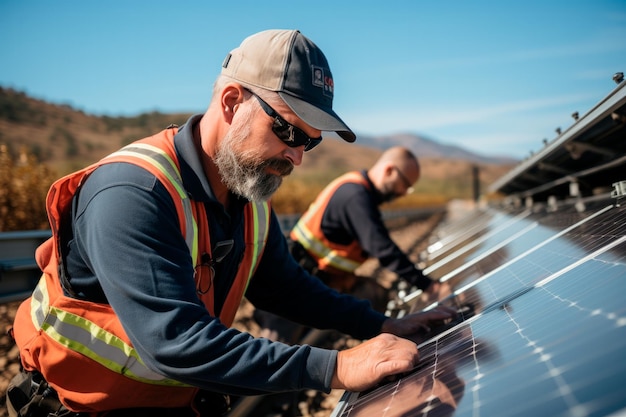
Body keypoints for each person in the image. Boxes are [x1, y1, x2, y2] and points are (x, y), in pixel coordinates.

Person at [8, 29, 455, 417]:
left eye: (310, 144)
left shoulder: (249, 197)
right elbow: (175, 339)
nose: (296, 156)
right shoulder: (133, 193)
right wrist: (335, 367)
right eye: (288, 132)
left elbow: (285, 287)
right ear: (231, 102)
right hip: (80, 407)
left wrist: (379, 325)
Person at [288, 146, 445, 300]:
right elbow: (383, 248)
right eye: (405, 185)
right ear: (389, 170)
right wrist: (428, 286)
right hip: (298, 280)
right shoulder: (355, 196)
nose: (404, 193)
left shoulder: (359, 191)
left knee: (375, 298)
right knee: (367, 305)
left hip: (322, 276)